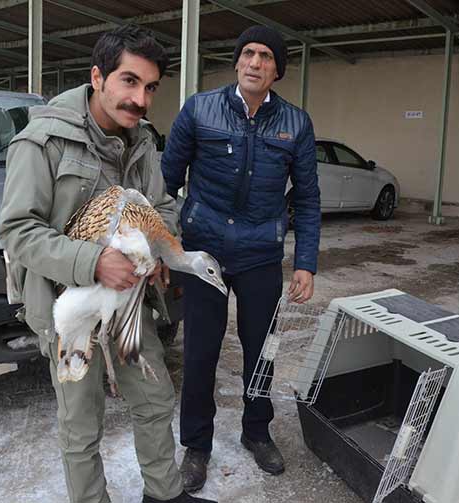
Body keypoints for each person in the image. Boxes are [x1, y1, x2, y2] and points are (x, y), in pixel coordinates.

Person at [0, 25, 215, 503]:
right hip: (69, 307)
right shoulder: (43, 142)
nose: (140, 99)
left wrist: (158, 249)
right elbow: (18, 231)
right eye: (129, 81)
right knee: (81, 422)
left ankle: (164, 494)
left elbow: (161, 205)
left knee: (155, 400)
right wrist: (94, 261)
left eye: (150, 87)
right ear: (97, 77)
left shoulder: (142, 142)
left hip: (129, 305)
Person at [161, 25, 321, 492]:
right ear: (236, 61)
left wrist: (306, 262)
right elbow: (166, 184)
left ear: (277, 70)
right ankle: (196, 444)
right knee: (201, 352)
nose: (254, 62)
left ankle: (257, 431)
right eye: (247, 53)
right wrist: (165, 249)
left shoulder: (296, 123)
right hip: (203, 251)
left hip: (259, 255)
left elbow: (308, 199)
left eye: (265, 56)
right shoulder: (199, 109)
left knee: (261, 352)